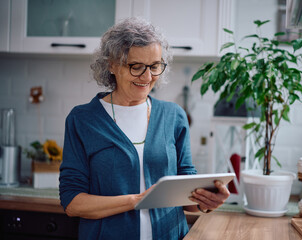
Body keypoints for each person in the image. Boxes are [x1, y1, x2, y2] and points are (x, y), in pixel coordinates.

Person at [59, 17, 230, 240]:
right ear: (112, 64)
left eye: (155, 66)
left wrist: (207, 203)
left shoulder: (174, 116)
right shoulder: (82, 120)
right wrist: (137, 200)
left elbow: (187, 197)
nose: (147, 77)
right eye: (136, 66)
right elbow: (72, 202)